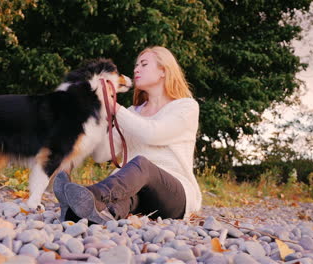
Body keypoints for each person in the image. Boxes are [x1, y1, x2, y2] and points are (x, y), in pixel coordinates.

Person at [54, 46, 202, 224]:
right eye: (136, 65)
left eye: (144, 64)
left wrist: (115, 108)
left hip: (176, 196)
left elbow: (152, 134)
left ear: (163, 70)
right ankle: (81, 213)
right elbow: (102, 155)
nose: (136, 69)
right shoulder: (133, 112)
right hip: (136, 191)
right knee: (126, 201)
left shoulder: (186, 107)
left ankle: (89, 193)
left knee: (142, 164)